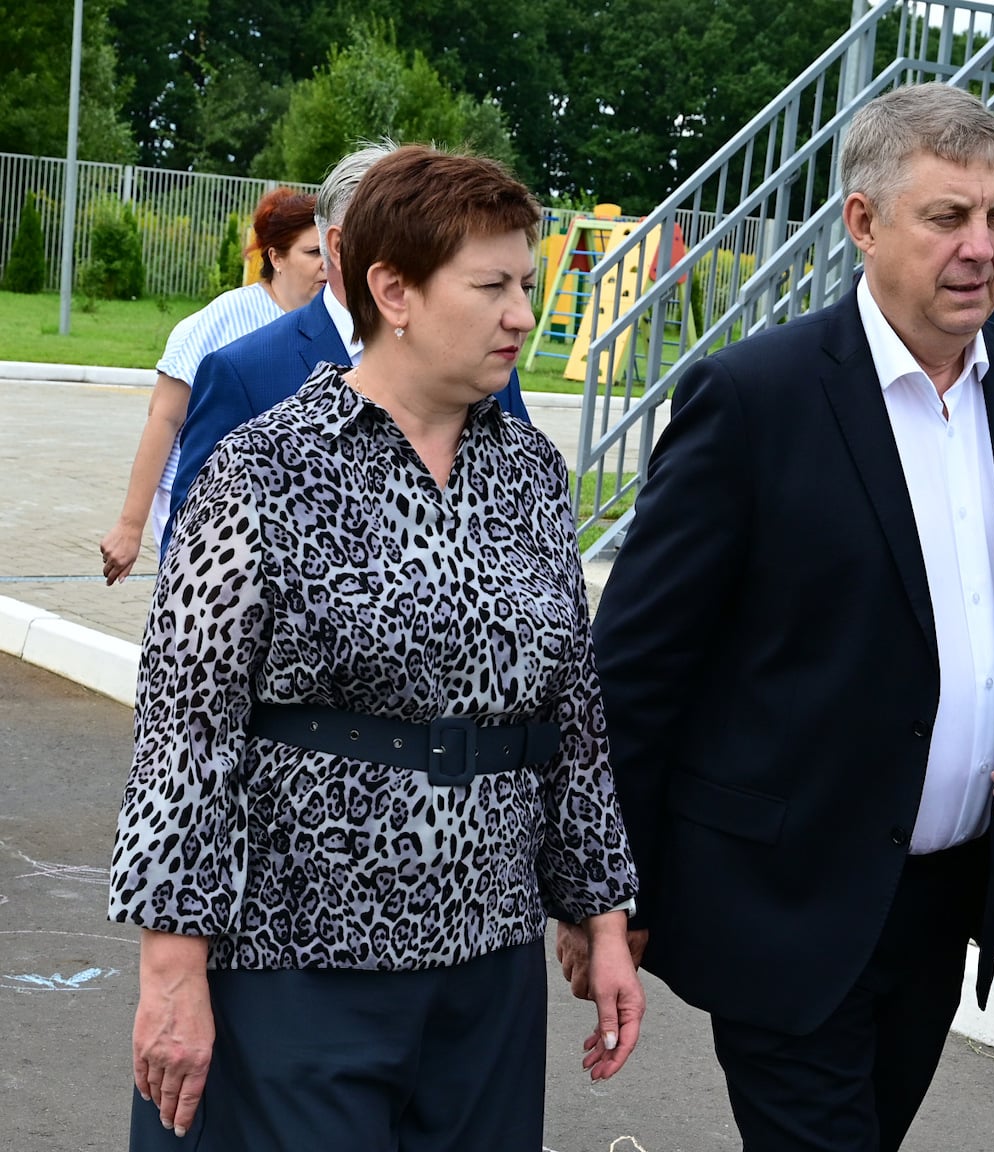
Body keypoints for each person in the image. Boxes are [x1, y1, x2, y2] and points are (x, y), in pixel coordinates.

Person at [574, 83, 994, 1152]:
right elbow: (635, 672)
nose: (981, 248)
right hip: (781, 901)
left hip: (944, 903)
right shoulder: (754, 399)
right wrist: (609, 894)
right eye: (948, 217)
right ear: (864, 222)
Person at [108, 145, 644, 1151]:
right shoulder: (267, 468)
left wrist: (600, 913)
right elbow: (186, 732)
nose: (521, 315)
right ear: (393, 291)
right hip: (298, 964)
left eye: (525, 286)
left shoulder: (530, 474)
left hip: (486, 967)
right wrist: (172, 969)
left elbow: (573, 715)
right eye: (490, 287)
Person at [165, 142, 533, 543]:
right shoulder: (245, 373)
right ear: (340, 246)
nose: (522, 318)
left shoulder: (481, 367)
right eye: (397, 231)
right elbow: (197, 545)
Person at [99, 187, 324, 583]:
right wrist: (130, 527)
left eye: (333, 251)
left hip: (289, 513)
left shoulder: (334, 324)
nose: (328, 264)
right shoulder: (222, 320)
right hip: (207, 511)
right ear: (276, 257)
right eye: (313, 252)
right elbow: (164, 418)